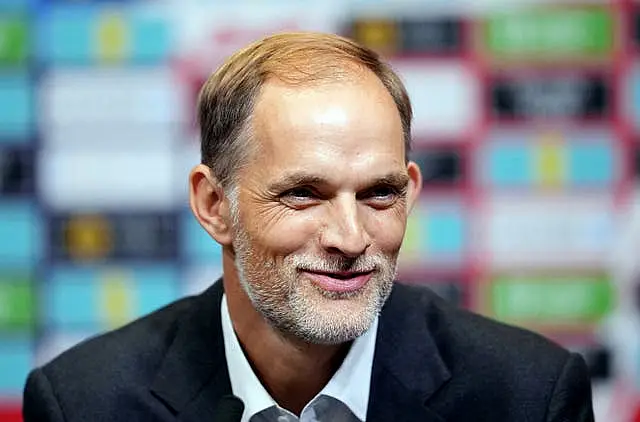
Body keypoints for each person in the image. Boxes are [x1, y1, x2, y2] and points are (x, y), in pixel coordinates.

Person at [23, 32, 594, 422]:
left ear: (411, 192)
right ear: (214, 204)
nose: (350, 237)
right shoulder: (84, 402)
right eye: (304, 194)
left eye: (379, 194)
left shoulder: (527, 395)